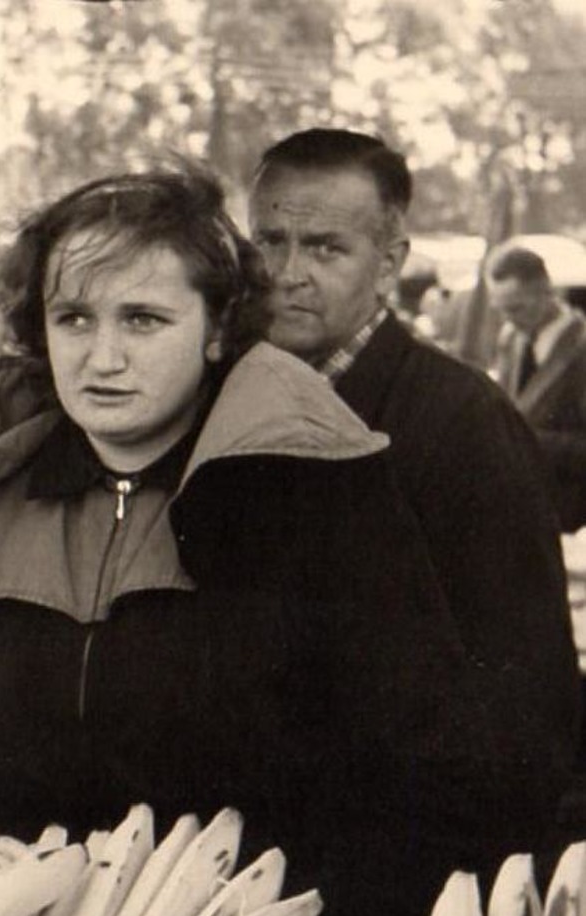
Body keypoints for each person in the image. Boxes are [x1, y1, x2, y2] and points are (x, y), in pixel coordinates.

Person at [0, 169, 568, 916]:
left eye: (144, 319)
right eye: (75, 317)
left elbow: (420, 773)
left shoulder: (321, 497)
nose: (103, 357)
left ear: (217, 329)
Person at [248, 129, 580, 866]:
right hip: (249, 857)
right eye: (268, 241)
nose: (287, 273)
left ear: (390, 263)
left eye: (325, 248)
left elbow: (526, 696)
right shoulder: (229, 401)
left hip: (403, 868)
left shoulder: (464, 422)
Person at [486, 243, 586, 533]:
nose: (510, 320)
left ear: (545, 290)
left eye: (517, 308)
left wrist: (525, 439)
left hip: (568, 519)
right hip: (516, 510)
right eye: (501, 310)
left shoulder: (581, 348)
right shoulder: (511, 338)